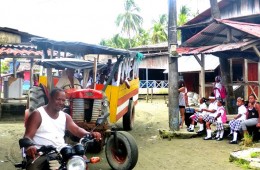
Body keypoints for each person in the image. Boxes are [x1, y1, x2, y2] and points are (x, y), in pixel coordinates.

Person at [23, 88, 101, 170]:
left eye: (63, 100)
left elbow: (77, 130)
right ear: (50, 98)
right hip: (41, 152)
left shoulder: (65, 116)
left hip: (62, 150)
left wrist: (89, 134)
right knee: (33, 167)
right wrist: (30, 146)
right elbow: (27, 136)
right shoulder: (38, 114)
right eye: (58, 99)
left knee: (82, 161)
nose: (61, 102)